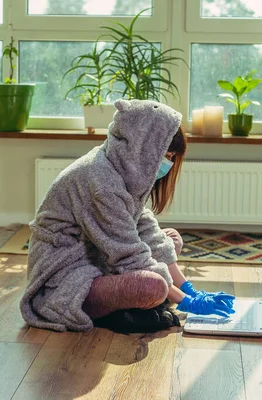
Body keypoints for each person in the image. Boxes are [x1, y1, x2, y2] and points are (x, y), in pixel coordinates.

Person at [20, 99, 235, 332]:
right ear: (142, 147)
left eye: (173, 158)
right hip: (65, 281)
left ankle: (123, 305)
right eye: (166, 156)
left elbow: (145, 230)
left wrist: (189, 289)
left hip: (97, 257)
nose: (168, 165)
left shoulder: (118, 166)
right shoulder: (102, 183)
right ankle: (109, 312)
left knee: (170, 239)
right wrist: (186, 302)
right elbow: (129, 256)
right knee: (154, 287)